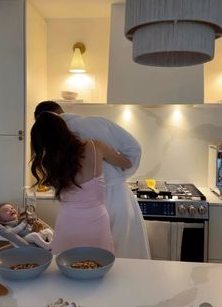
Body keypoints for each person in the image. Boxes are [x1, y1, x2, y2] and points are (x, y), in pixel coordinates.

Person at [34, 101, 151, 259]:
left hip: (71, 213)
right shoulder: (96, 132)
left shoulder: (50, 146)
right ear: (60, 111)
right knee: (124, 259)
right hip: (114, 199)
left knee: (74, 261)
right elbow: (133, 151)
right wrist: (115, 175)